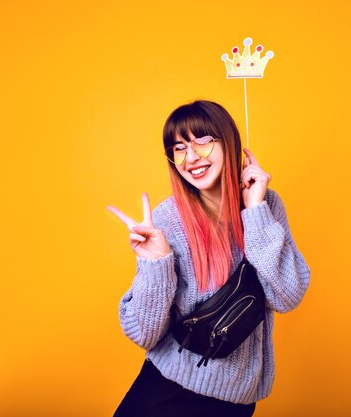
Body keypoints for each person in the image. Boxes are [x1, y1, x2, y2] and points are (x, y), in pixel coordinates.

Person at [108, 100, 310, 417]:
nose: (192, 158)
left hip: (236, 400)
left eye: (203, 143)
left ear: (227, 143)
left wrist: (255, 211)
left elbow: (286, 295)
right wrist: (155, 264)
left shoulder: (266, 203)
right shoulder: (167, 219)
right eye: (179, 148)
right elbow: (144, 334)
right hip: (167, 391)